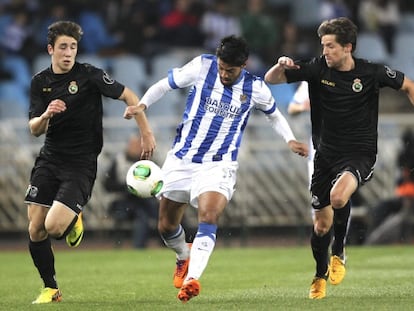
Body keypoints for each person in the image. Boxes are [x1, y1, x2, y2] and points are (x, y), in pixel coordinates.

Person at [123, 35, 309, 303]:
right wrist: (142, 105)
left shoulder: (255, 88)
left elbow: (274, 115)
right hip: (182, 158)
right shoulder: (202, 66)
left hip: (219, 163)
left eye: (229, 70)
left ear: (243, 65)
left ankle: (192, 280)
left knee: (208, 216)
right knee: (165, 226)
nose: (223, 74)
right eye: (221, 67)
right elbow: (165, 85)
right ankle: (182, 256)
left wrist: (289, 139)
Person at [264, 16, 414, 299]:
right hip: (325, 157)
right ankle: (319, 274)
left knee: (338, 197)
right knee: (321, 225)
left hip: (360, 154)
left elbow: (408, 86)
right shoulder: (317, 68)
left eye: (331, 46)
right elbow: (271, 79)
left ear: (348, 47)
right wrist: (279, 66)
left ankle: (340, 253)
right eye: (323, 45)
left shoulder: (371, 73)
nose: (325, 51)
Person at [24, 20, 155, 304]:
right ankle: (51, 288)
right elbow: (34, 129)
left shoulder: (90, 75)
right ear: (51, 50)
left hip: (80, 163)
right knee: (35, 228)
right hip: (49, 158)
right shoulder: (40, 82)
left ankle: (73, 219)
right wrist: (45, 115)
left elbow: (129, 95)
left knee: (55, 228)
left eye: (73, 46)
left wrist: (145, 131)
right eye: (63, 47)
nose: (68, 52)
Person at [104, 133, 159, 249]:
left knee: (146, 215)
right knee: (137, 215)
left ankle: (142, 247)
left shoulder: (146, 163)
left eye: (138, 145)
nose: (136, 148)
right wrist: (126, 187)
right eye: (133, 145)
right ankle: (124, 246)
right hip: (121, 201)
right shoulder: (119, 161)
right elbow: (107, 184)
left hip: (141, 202)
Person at [365, 128, 414, 244]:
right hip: (404, 198)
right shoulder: (404, 176)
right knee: (382, 209)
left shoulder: (405, 160)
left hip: (407, 200)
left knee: (400, 218)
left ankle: (375, 240)